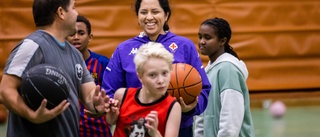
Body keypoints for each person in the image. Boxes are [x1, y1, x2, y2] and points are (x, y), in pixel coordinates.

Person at [0, 0, 110, 137]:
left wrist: (96, 103)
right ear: (61, 12)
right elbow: (5, 90)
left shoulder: (75, 54)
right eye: (73, 8)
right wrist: (32, 115)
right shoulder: (31, 46)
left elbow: (88, 94)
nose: (76, 13)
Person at [102, 0, 211, 136]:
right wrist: (113, 108)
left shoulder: (184, 46)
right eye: (143, 12)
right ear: (138, 17)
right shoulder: (123, 49)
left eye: (155, 11)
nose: (149, 17)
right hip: (136, 127)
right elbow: (109, 91)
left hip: (179, 129)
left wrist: (191, 107)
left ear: (166, 15)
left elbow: (204, 89)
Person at [193, 17, 255, 137]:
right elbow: (202, 117)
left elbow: (231, 119)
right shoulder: (208, 71)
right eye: (200, 37)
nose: (201, 41)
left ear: (222, 41)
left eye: (207, 37)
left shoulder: (228, 70)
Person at [106, 42, 181, 137]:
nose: (161, 80)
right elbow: (112, 121)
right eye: (152, 75)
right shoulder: (122, 95)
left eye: (164, 73)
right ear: (140, 76)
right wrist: (111, 116)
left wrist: (155, 133)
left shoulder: (173, 106)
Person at [67, 15, 111, 137]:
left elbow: (110, 96)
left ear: (90, 37)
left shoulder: (103, 63)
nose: (76, 37)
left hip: (98, 131)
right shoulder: (61, 63)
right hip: (68, 130)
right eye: (72, 34)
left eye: (81, 33)